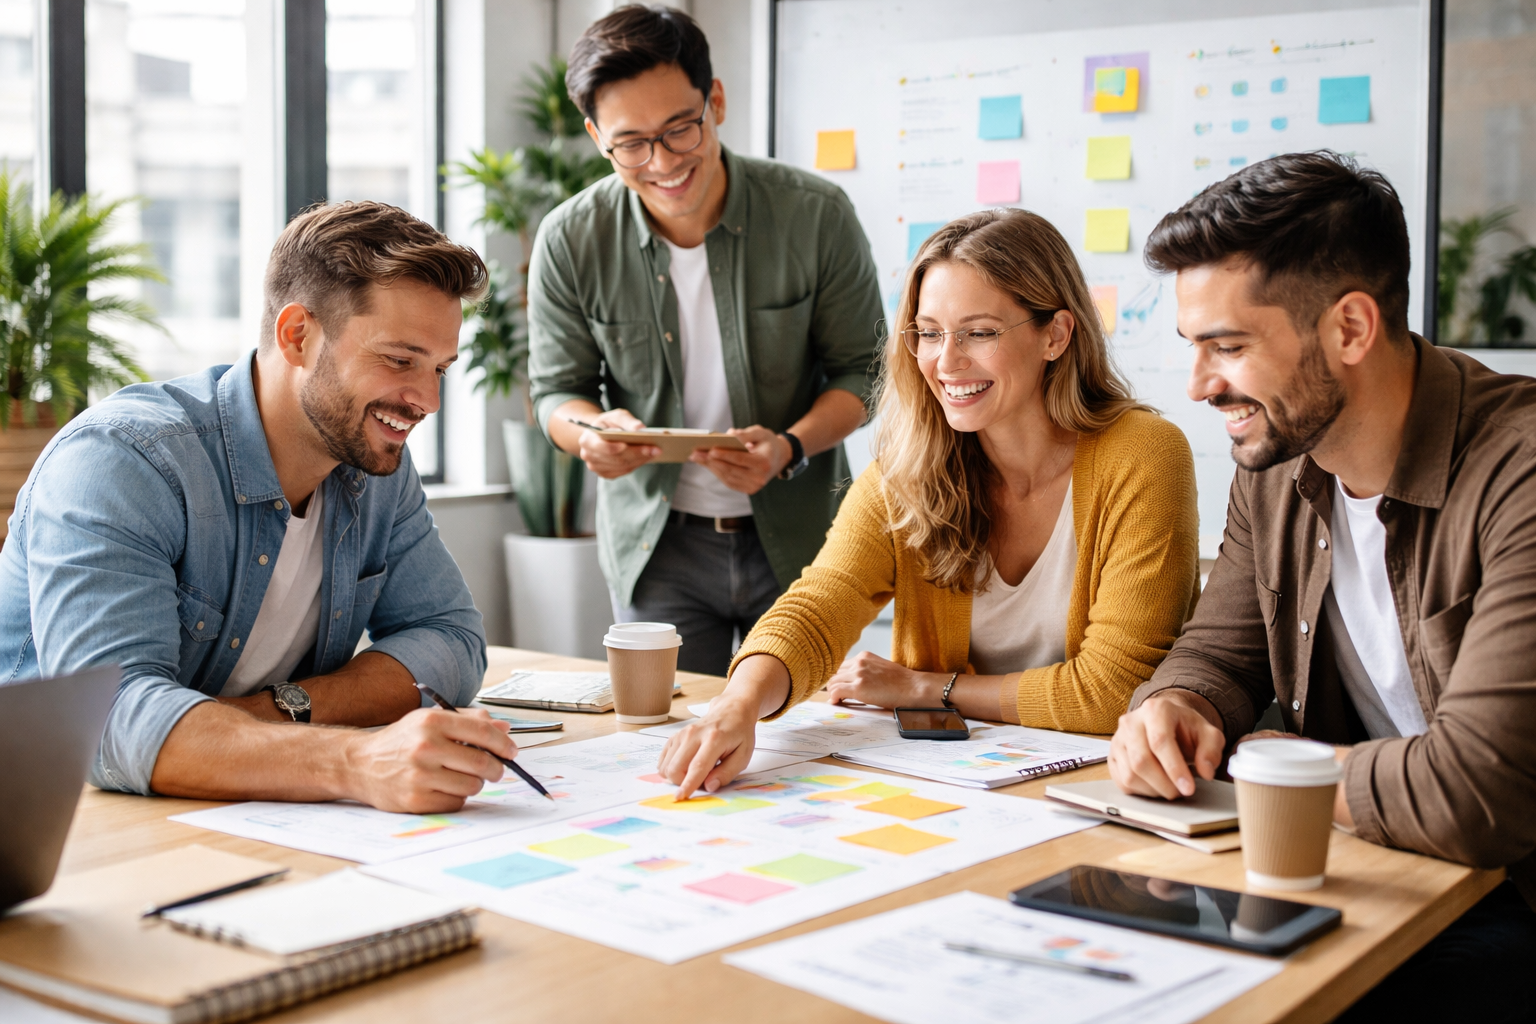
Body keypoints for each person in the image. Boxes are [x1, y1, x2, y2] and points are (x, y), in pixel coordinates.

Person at [1107, 151, 1536, 1023]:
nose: (1199, 386)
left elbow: (1477, 793)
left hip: (1509, 902)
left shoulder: (1520, 471)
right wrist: (1172, 709)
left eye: (1228, 347)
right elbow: (1216, 653)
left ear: (1349, 328)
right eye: (1194, 347)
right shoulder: (1273, 464)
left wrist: (1264, 771)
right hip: (1379, 867)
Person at [659, 208, 1201, 797]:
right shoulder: (909, 468)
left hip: (1099, 788)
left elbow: (1113, 691)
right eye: (930, 332)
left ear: (1056, 334)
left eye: (980, 332)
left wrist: (926, 689)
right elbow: (820, 604)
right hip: (948, 786)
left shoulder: (1144, 455)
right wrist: (737, 705)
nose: (946, 361)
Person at [0, 201, 518, 814]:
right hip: (66, 818)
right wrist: (354, 761)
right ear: (297, 334)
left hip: (242, 803)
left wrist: (276, 712)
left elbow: (451, 641)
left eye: (440, 368)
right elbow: (106, 718)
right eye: (399, 360)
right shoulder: (124, 461)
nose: (427, 400)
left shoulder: (373, 465)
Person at [527, 5, 883, 675]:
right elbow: (556, 391)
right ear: (596, 136)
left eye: (680, 129)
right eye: (630, 143)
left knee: (806, 743)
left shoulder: (814, 214)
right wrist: (589, 434)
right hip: (657, 548)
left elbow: (866, 371)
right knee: (667, 743)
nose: (662, 163)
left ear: (714, 100)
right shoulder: (572, 238)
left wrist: (790, 446)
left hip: (801, 539)